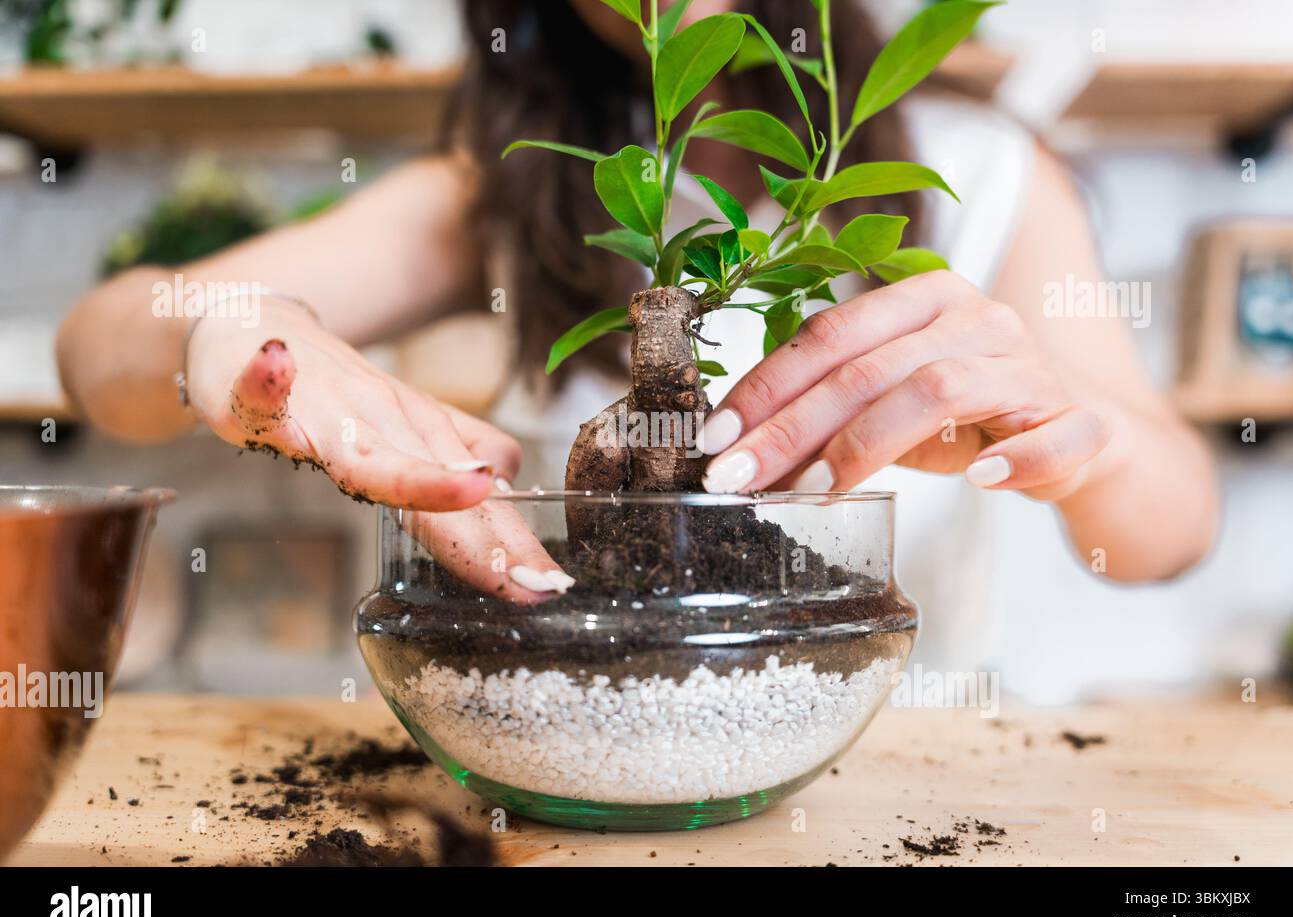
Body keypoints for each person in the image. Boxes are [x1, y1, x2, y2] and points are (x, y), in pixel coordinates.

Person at [57, 0, 1218, 625]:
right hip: (586, 756)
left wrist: (1085, 444)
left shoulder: (986, 170)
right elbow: (101, 342)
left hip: (905, 775)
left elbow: (1171, 528)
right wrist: (229, 330)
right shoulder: (503, 189)